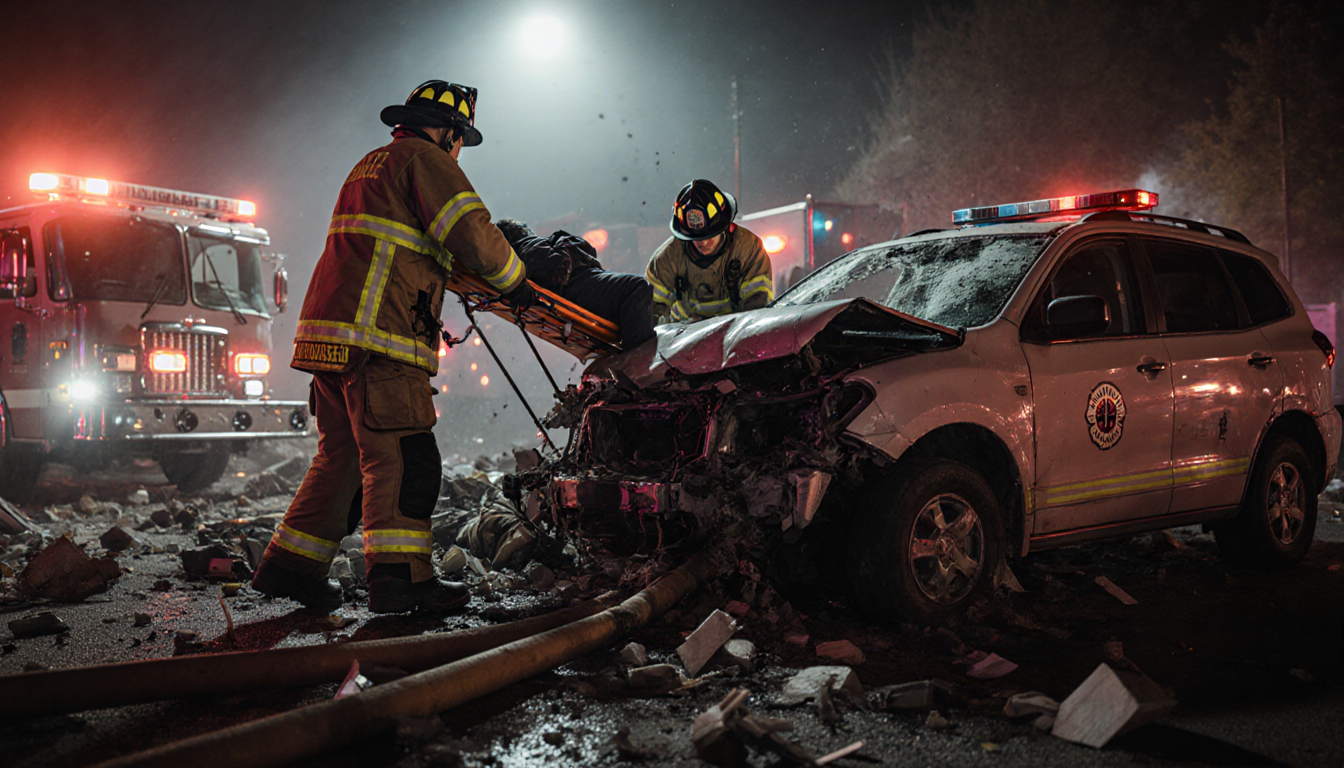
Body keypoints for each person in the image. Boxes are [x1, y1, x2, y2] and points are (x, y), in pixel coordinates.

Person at [251, 79, 534, 613]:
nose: (457, 150)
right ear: (449, 132)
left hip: (330, 339)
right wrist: (517, 278)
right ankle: (402, 581)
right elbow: (472, 232)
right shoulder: (425, 161)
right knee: (405, 459)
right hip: (379, 339)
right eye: (460, 139)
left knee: (342, 460)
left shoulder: (372, 163)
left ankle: (289, 567)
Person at [494, 220, 656, 349]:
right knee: (637, 288)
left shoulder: (518, 256)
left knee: (637, 296)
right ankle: (640, 371)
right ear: (517, 232)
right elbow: (554, 266)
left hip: (577, 285)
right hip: (578, 286)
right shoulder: (527, 245)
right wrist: (570, 248)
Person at [646, 179, 774, 323]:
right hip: (684, 337)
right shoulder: (666, 260)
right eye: (696, 237)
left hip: (737, 334)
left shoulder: (748, 249)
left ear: (725, 226)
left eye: (710, 235)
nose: (704, 242)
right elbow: (651, 315)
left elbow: (757, 307)